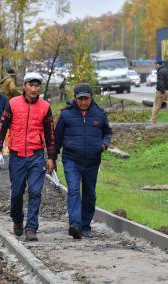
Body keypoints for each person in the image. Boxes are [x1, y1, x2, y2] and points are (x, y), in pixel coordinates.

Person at [0, 72, 56, 242]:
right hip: (17, 155)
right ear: (25, 86)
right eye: (31, 85)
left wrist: (51, 157)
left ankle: (31, 227)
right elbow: (2, 127)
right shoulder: (12, 104)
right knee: (17, 194)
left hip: (36, 156)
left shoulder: (45, 107)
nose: (34, 89)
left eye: (37, 86)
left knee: (35, 191)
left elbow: (50, 133)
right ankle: (18, 219)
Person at [55, 83, 112, 239]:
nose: (83, 102)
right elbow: (57, 138)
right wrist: (52, 158)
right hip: (71, 159)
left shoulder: (99, 114)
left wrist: (103, 144)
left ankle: (85, 225)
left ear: (91, 98)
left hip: (92, 161)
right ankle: (75, 225)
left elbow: (107, 132)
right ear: (75, 98)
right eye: (80, 99)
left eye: (86, 98)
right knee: (73, 190)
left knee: (89, 194)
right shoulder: (66, 115)